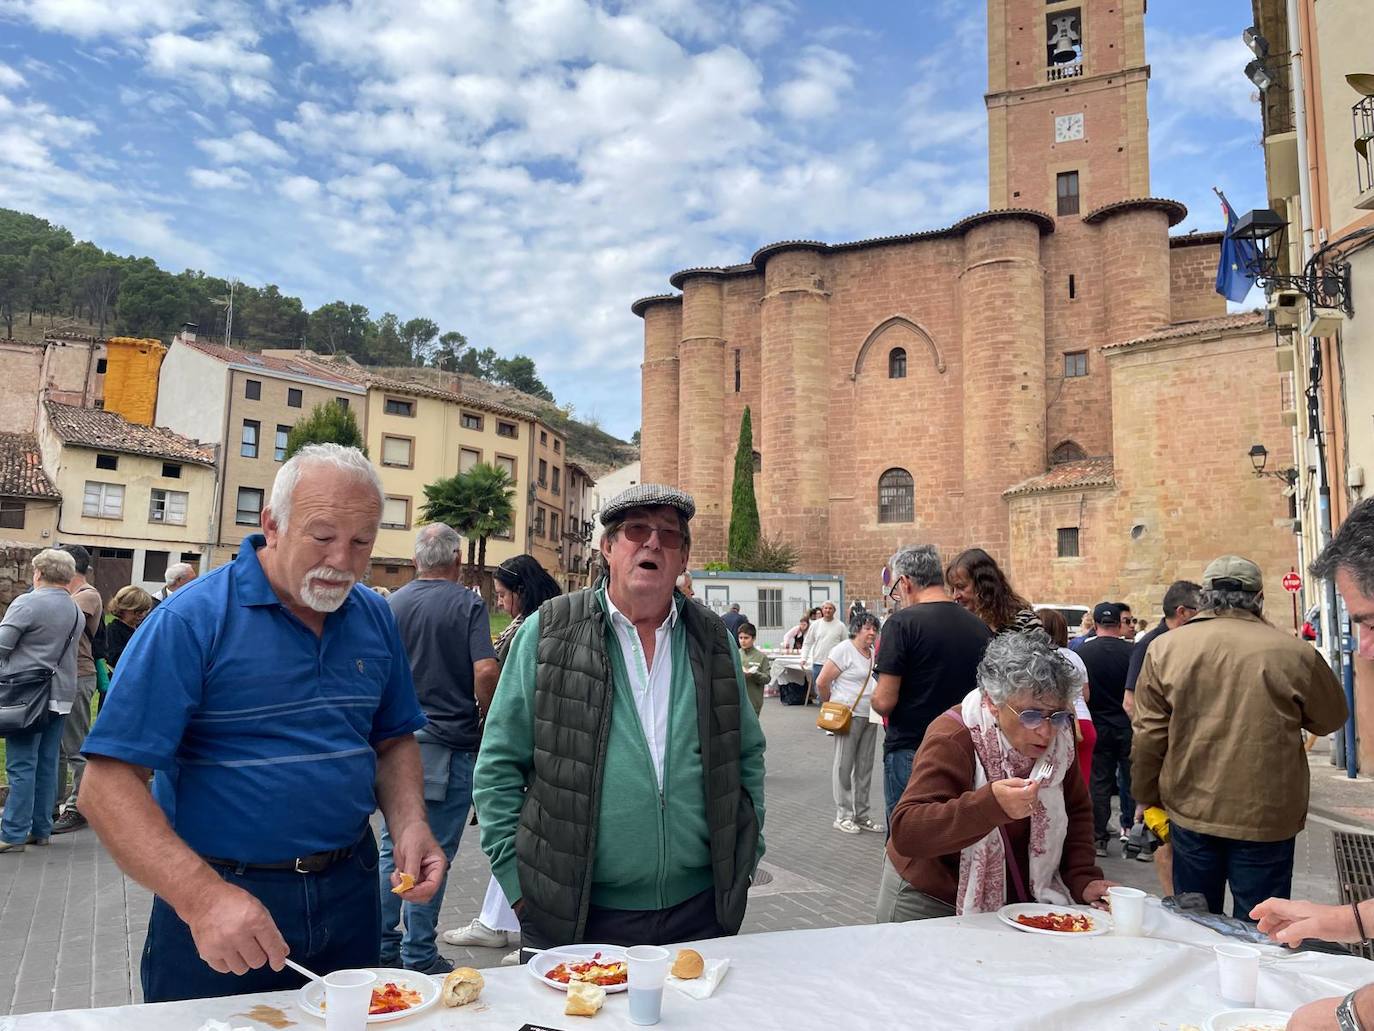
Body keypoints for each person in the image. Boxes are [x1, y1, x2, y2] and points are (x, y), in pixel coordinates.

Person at [78, 444, 445, 1003]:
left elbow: (392, 740)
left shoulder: (373, 615)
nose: (342, 561)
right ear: (272, 525)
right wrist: (202, 898)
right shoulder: (190, 620)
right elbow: (106, 786)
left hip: (350, 890)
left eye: (361, 542)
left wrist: (411, 824)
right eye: (322, 536)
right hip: (224, 897)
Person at [472, 483, 766, 950]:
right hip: (573, 911)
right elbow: (497, 766)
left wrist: (746, 857)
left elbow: (745, 751)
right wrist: (521, 886)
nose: (653, 543)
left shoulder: (712, 638)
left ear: (684, 557)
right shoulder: (548, 631)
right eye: (636, 530)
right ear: (607, 548)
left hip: (702, 910)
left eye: (669, 534)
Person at [1131, 555, 1347, 919]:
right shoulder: (1293, 652)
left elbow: (1148, 734)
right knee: (1262, 924)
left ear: (1204, 596)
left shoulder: (1165, 648)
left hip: (1191, 806)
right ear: (1259, 597)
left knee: (1196, 922)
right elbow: (1330, 719)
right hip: (1267, 813)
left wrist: (1145, 795)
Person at [879, 630, 1111, 922]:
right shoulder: (954, 736)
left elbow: (1076, 810)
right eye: (1031, 715)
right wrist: (989, 807)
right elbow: (907, 830)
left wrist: (1083, 878)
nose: (1046, 731)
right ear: (992, 703)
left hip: (1014, 900)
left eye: (1057, 715)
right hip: (931, 895)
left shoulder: (1060, 740)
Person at [378, 523, 500, 974]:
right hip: (449, 744)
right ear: (458, 561)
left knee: (392, 848)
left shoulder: (392, 604)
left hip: (396, 746)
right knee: (436, 855)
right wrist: (489, 716)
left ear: (416, 561)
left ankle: (381, 945)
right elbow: (485, 670)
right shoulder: (467, 603)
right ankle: (419, 955)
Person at [444, 554, 563, 958]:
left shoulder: (538, 625)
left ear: (521, 592)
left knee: (522, 833)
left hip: (531, 742)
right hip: (533, 740)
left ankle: (530, 933)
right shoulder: (534, 621)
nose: (499, 602)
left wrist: (498, 719)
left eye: (502, 594)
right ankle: (500, 922)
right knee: (518, 834)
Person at [872, 545, 992, 825]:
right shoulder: (979, 626)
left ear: (906, 582)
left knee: (908, 836)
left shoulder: (901, 624)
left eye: (896, 590)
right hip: (965, 747)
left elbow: (884, 701)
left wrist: (873, 696)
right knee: (956, 832)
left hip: (913, 748)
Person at [0, 549, 83, 853]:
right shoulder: (74, 609)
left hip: (26, 696)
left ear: (38, 573)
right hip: (61, 695)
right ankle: (41, 828)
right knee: (46, 764)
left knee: (21, 764)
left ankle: (12, 832)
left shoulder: (28, 603)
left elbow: (2, 645)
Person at [50, 543, 105, 836]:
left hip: (78, 677)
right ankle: (50, 805)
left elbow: (55, 618)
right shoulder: (66, 595)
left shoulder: (87, 595)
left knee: (75, 748)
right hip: (59, 676)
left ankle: (78, 808)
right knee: (56, 748)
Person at [1077, 602, 1135, 856]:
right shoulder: (1132, 652)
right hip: (1127, 724)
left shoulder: (1083, 652)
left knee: (1099, 782)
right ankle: (1131, 831)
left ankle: (1099, 837)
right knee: (1130, 780)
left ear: (1096, 623)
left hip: (1098, 723)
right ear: (1118, 624)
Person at [817, 612, 882, 834]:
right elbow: (822, 681)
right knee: (843, 766)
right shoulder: (844, 649)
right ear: (856, 629)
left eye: (874, 628)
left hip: (870, 715)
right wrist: (830, 704)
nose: (872, 632)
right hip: (848, 715)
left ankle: (861, 814)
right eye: (867, 628)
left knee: (865, 767)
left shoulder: (872, 653)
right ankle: (843, 815)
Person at [1034, 609, 1093, 789]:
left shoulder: (1035, 658)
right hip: (1084, 722)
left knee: (1048, 786)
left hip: (1053, 724)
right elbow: (1085, 695)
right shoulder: (1074, 657)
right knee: (1081, 787)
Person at [1123, 581, 1202, 702]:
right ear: (1182, 612)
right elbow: (1130, 701)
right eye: (1200, 611)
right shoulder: (1148, 645)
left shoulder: (1194, 641)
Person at [945, 548, 1039, 635]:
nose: (955, 596)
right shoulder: (957, 626)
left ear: (983, 585)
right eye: (952, 589)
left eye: (961, 587)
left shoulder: (1025, 622)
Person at [102, 586, 155, 711]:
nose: (141, 615)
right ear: (123, 609)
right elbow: (115, 659)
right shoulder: (113, 630)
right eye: (137, 611)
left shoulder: (141, 629)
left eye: (145, 611)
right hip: (119, 686)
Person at [801, 601, 846, 704]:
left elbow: (846, 644)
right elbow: (807, 643)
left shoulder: (840, 626)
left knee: (833, 690)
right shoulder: (815, 625)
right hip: (818, 663)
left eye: (830, 608)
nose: (827, 610)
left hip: (835, 664)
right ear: (822, 610)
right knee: (819, 688)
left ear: (834, 610)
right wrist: (804, 658)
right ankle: (823, 707)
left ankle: (832, 709)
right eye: (825, 608)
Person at [736, 622, 771, 717]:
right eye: (740, 638)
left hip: (753, 702)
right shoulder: (735, 654)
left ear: (754, 638)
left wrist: (754, 674)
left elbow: (767, 678)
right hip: (736, 701)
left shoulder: (761, 657)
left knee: (751, 726)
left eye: (746, 638)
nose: (743, 641)